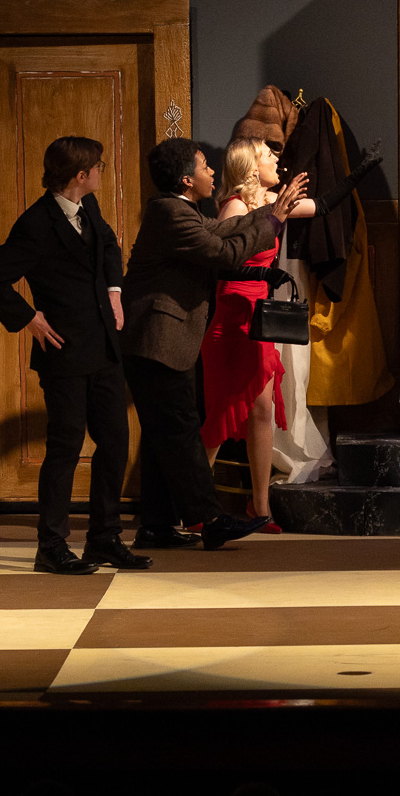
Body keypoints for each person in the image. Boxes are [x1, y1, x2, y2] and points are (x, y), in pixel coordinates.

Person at [120, 137, 306, 551]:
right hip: (157, 340)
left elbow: (223, 230)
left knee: (162, 437)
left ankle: (157, 525)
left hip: (164, 341)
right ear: (187, 179)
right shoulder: (170, 212)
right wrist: (273, 221)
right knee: (183, 431)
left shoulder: (184, 211)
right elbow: (223, 252)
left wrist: (271, 215)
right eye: (204, 166)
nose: (211, 172)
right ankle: (210, 519)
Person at [0, 136, 147, 575]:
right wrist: (29, 318)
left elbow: (108, 245)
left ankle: (104, 538)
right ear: (81, 175)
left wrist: (114, 291)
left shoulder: (88, 206)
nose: (102, 171)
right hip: (64, 353)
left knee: (114, 442)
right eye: (99, 166)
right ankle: (51, 546)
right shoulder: (36, 223)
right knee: (66, 447)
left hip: (105, 347)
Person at [199, 137, 377, 530]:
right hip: (233, 319)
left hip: (259, 319)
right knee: (224, 413)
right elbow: (222, 263)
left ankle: (260, 507)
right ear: (251, 167)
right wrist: (265, 272)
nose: (277, 161)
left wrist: (359, 173)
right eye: (268, 155)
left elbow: (323, 205)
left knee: (262, 411)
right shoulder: (236, 207)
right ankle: (195, 506)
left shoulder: (273, 201)